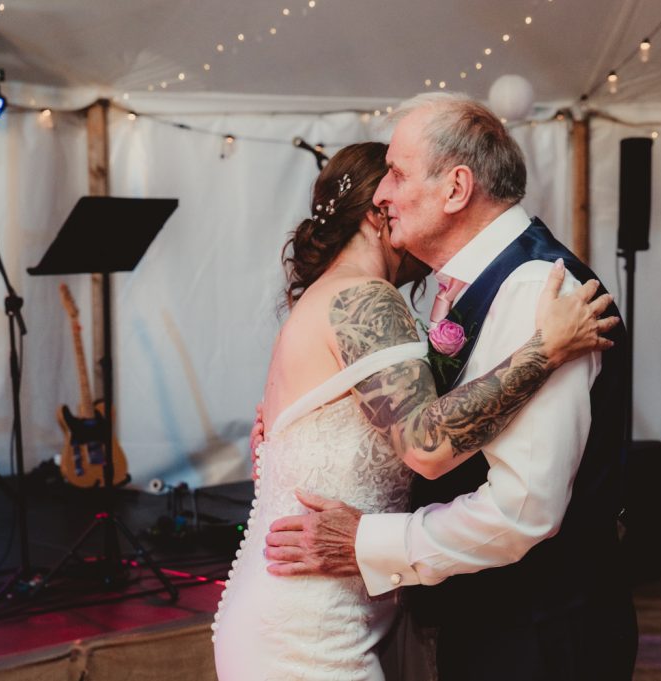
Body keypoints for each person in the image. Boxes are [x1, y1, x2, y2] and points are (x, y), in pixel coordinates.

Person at [213, 141, 618, 681]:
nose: (398, 202)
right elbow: (426, 444)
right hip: (309, 631)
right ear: (377, 212)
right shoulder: (365, 299)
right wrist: (544, 351)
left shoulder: (335, 294)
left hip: (318, 610)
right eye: (394, 187)